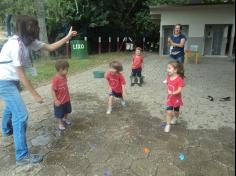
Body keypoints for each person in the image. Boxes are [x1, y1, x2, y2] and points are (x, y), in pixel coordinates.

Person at [0, 15, 77, 165]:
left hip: (11, 79)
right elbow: (21, 74)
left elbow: (50, 47)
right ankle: (22, 156)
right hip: (4, 81)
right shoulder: (15, 45)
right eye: (33, 30)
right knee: (21, 115)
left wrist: (67, 36)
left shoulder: (28, 41)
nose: (35, 33)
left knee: (11, 106)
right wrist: (35, 94)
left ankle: (5, 129)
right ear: (27, 31)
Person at [164, 61, 185, 133]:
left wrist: (172, 93)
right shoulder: (168, 77)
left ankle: (176, 118)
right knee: (169, 112)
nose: (167, 69)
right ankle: (168, 124)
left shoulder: (179, 79)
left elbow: (179, 90)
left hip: (176, 99)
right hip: (169, 99)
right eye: (167, 68)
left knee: (176, 111)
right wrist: (165, 81)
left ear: (175, 70)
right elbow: (167, 81)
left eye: (169, 68)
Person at [51, 60, 72, 131]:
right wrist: (55, 100)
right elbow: (53, 90)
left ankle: (65, 119)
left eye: (67, 69)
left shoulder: (64, 76)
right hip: (59, 101)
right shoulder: (55, 79)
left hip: (66, 99)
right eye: (66, 69)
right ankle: (60, 123)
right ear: (60, 69)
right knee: (60, 114)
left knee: (67, 111)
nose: (67, 71)